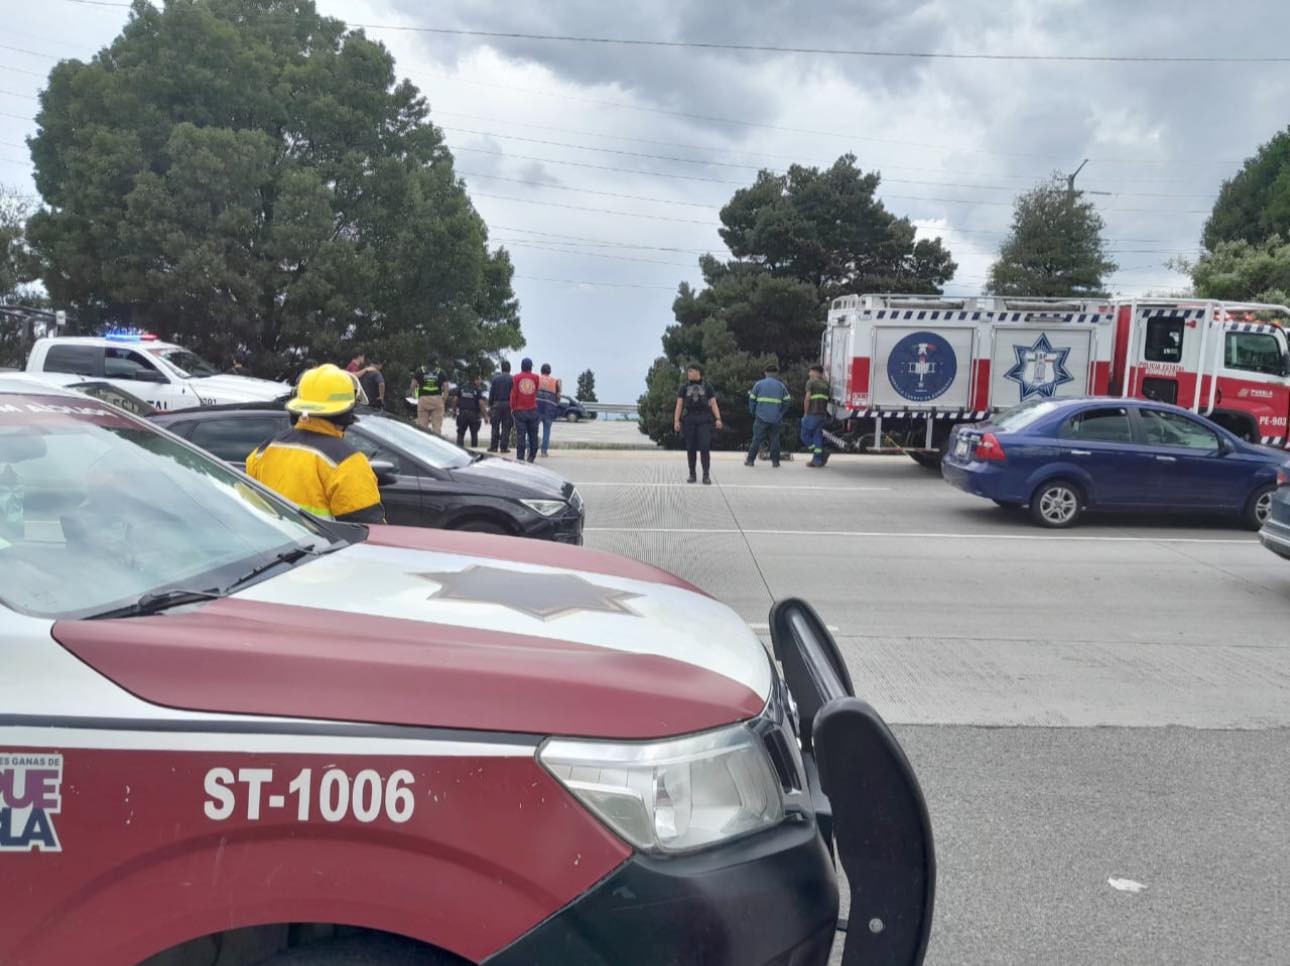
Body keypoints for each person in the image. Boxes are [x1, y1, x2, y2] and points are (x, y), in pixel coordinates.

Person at [245, 364, 385, 523]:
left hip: (273, 546)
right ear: (346, 413)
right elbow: (369, 532)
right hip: (324, 548)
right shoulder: (347, 463)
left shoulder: (263, 452)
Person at [672, 363, 722, 484]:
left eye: (691, 371)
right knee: (690, 448)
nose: (688, 373)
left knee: (705, 447)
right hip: (689, 419)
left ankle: (706, 475)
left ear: (698, 372)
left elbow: (713, 403)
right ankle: (692, 474)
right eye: (688, 371)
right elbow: (679, 404)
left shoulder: (707, 386)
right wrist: (676, 420)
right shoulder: (684, 387)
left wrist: (718, 418)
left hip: (704, 419)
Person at [745, 364, 792, 468]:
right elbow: (787, 401)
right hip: (775, 418)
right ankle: (775, 462)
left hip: (761, 417)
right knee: (775, 439)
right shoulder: (781, 386)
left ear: (765, 373)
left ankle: (750, 460)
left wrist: (753, 412)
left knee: (756, 439)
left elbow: (751, 399)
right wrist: (781, 412)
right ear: (776, 373)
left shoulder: (759, 384)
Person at [510, 357, 541, 463]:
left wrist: (512, 407)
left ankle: (520, 457)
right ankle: (532, 455)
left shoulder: (516, 377)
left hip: (519, 410)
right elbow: (535, 391)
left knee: (521, 435)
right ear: (530, 367)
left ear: (521, 366)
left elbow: (514, 394)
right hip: (533, 410)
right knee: (533, 434)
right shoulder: (536, 378)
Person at [801, 364, 831, 468]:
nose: (809, 373)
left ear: (816, 372)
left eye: (811, 371)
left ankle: (820, 454)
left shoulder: (811, 382)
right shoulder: (826, 384)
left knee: (804, 436)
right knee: (817, 436)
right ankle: (817, 460)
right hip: (822, 415)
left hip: (812, 414)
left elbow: (807, 399)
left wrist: (805, 413)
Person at [411, 360, 448, 434]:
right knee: (437, 427)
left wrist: (414, 395)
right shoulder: (441, 372)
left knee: (422, 426)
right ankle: (436, 443)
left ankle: (422, 442)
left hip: (423, 399)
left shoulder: (419, 371)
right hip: (437, 399)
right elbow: (446, 389)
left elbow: (412, 386)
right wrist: (443, 400)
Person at [455, 373, 488, 448]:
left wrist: (455, 410)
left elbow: (455, 399)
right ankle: (474, 452)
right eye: (479, 379)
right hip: (473, 415)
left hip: (462, 414)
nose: (481, 381)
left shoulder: (462, 388)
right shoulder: (477, 390)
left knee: (460, 434)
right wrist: (485, 416)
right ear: (475, 380)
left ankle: (459, 450)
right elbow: (481, 403)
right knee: (474, 434)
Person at [488, 361, 514, 453]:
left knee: (495, 426)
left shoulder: (495, 379)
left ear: (501, 368)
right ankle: (504, 447)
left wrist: (490, 405)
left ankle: (494, 447)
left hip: (497, 405)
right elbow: (514, 394)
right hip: (508, 405)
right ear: (509, 369)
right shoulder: (512, 379)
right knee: (506, 427)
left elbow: (491, 393)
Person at [537, 363, 562, 457]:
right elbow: (558, 397)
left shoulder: (537, 379)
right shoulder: (555, 382)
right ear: (550, 371)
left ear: (541, 370)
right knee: (547, 430)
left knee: (533, 429)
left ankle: (530, 448)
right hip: (549, 410)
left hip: (537, 408)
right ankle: (544, 451)